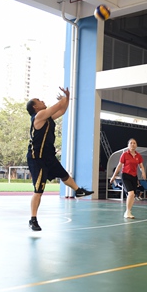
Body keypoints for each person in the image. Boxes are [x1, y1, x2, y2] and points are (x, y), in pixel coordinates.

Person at [26, 87, 94, 231]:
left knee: (64, 175)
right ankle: (33, 219)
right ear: (35, 107)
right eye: (39, 100)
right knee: (38, 190)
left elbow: (62, 110)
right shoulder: (39, 116)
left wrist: (67, 98)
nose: (42, 101)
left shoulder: (47, 118)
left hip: (48, 156)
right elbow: (58, 106)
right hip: (37, 158)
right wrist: (65, 97)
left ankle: (78, 190)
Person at [109, 138, 146, 219]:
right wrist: (113, 176)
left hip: (134, 177)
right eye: (131, 143)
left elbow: (141, 166)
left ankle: (129, 211)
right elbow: (119, 166)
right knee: (131, 193)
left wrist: (143, 172)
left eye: (134, 143)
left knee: (133, 195)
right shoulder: (124, 155)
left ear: (136, 145)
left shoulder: (138, 156)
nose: (133, 144)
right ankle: (127, 212)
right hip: (125, 176)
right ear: (128, 145)